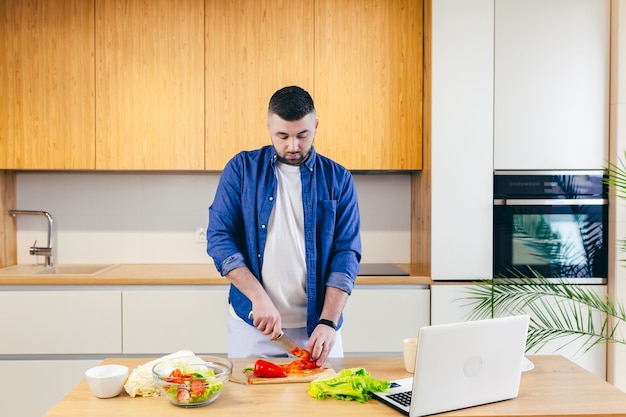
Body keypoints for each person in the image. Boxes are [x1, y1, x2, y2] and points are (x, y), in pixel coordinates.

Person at [207, 85, 361, 366]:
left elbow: (346, 253)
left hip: (319, 330)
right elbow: (219, 238)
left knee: (326, 407)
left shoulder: (338, 178)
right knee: (253, 408)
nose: (293, 146)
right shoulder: (241, 169)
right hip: (253, 327)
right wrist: (258, 298)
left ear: (315, 126)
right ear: (268, 127)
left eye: (302, 135)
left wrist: (328, 320)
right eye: (282, 136)